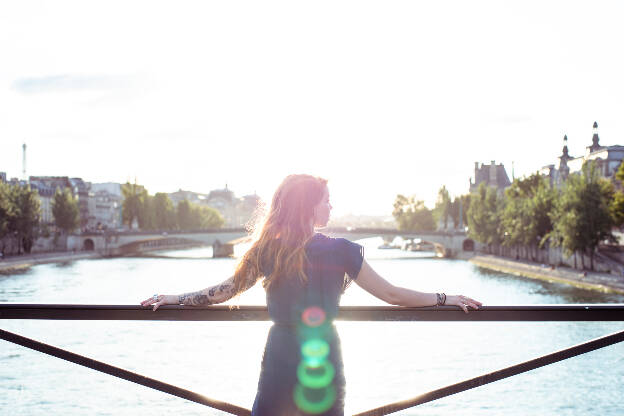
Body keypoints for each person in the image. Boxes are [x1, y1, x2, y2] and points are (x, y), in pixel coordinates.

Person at [140, 174, 481, 415]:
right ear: (309, 208)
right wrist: (443, 298)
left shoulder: (267, 250)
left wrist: (176, 298)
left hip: (280, 355)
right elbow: (392, 294)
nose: (331, 207)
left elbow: (223, 292)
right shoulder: (343, 251)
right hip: (324, 356)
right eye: (326, 201)